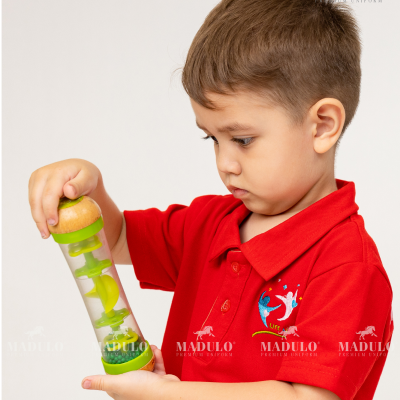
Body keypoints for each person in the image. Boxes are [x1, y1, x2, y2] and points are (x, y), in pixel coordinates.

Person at [28, 1, 394, 399]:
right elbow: (116, 240)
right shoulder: (209, 222)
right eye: (212, 139)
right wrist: (90, 187)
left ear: (322, 126)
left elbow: (307, 397)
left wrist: (165, 395)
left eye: (243, 140)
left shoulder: (347, 266)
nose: (224, 164)